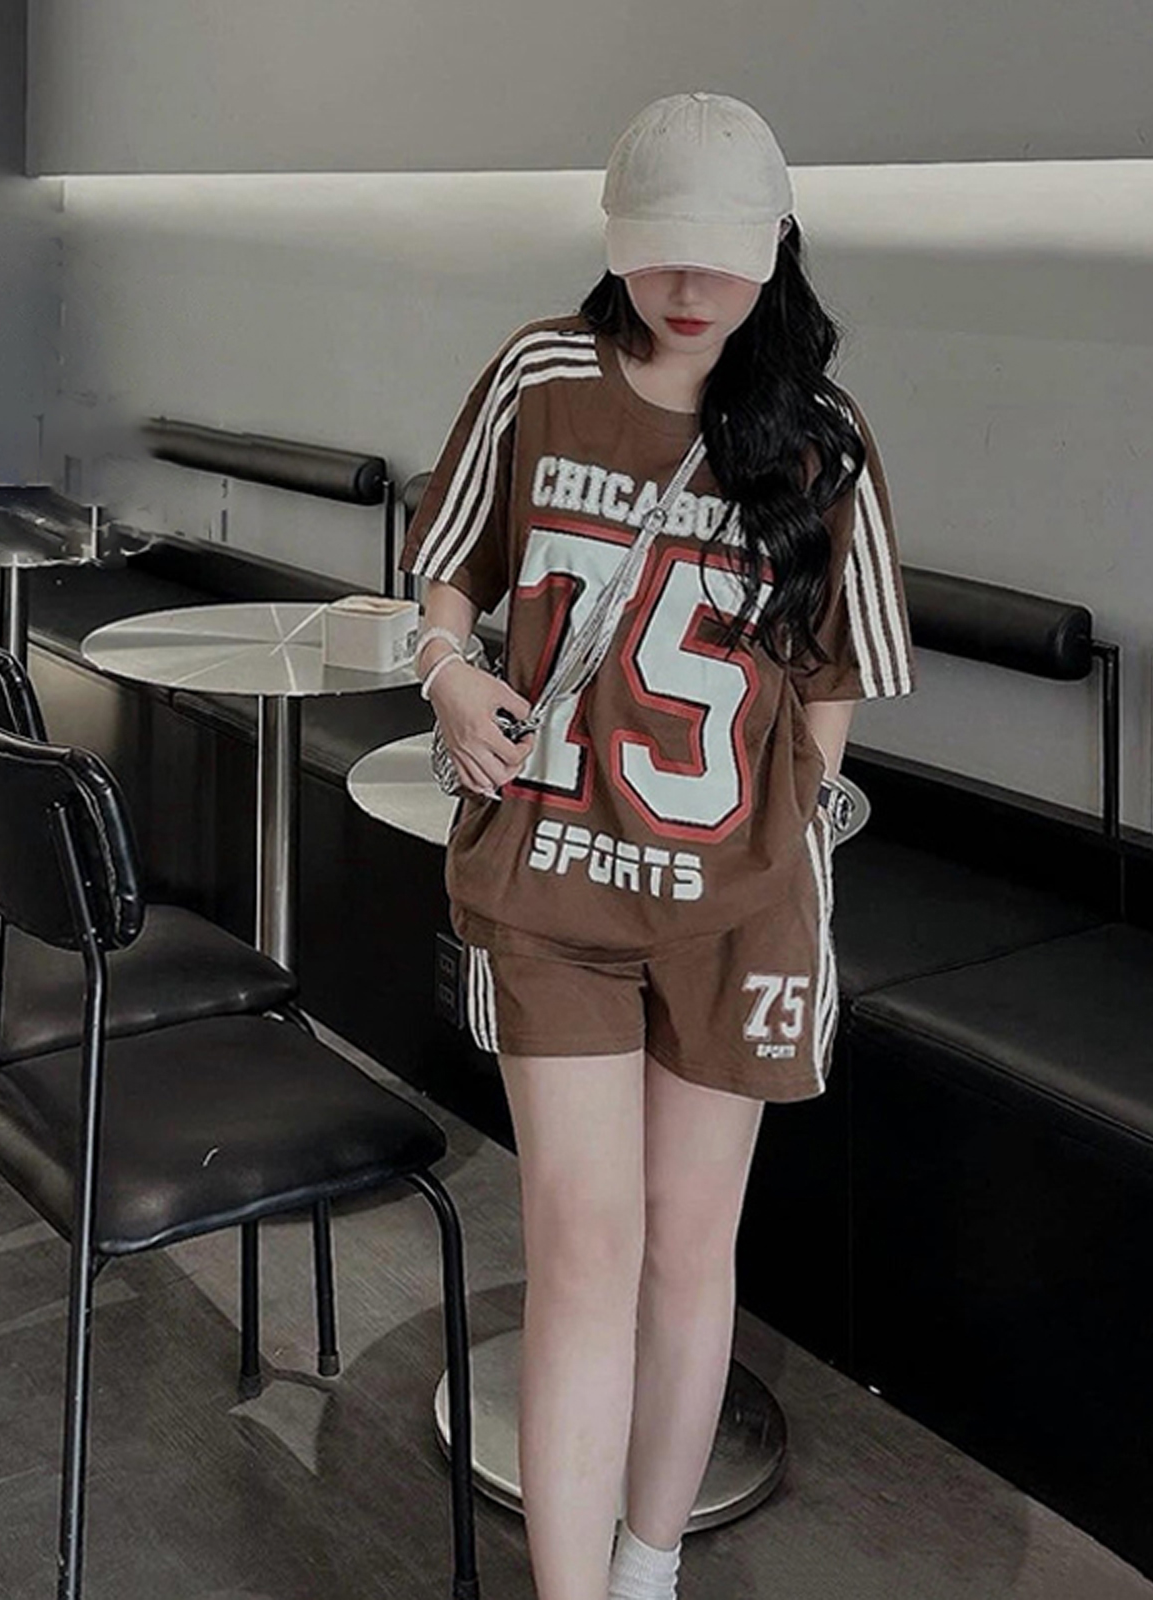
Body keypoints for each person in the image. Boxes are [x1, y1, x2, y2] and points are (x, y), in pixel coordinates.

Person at [400, 91, 915, 1600]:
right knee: (583, 1248)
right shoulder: (540, 378)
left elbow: (832, 687)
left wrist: (789, 829)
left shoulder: (819, 440)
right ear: (616, 241)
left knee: (690, 1251)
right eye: (663, 251)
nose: (691, 286)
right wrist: (447, 674)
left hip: (734, 906)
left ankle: (648, 1570)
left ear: (775, 250)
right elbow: (449, 573)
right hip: (554, 882)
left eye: (724, 255)